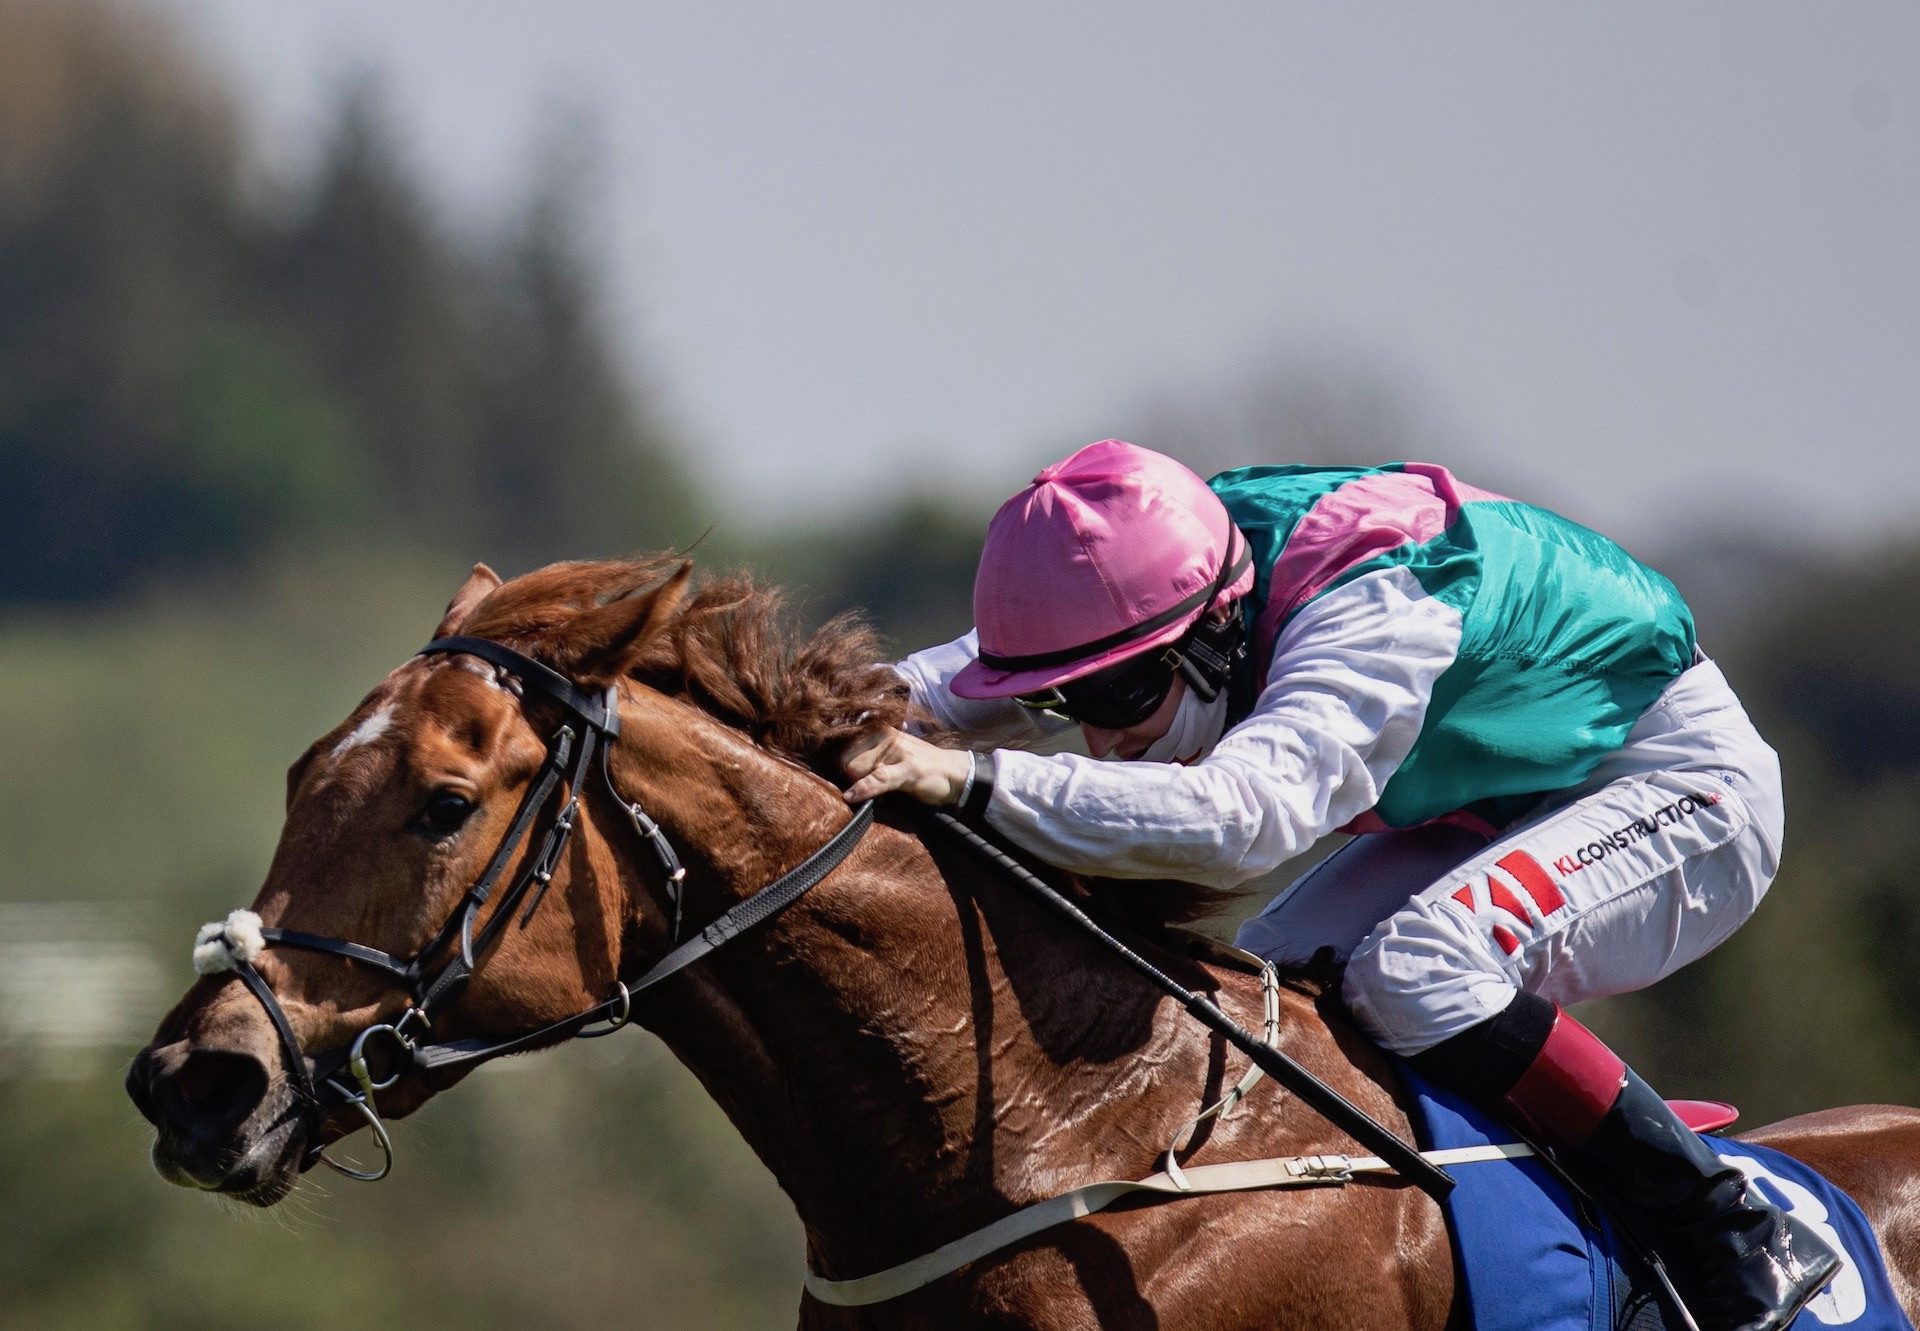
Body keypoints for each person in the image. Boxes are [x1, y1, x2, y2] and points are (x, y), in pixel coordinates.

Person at [842, 438, 1839, 1331]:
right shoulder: (1160, 564)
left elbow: (1243, 819)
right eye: (1067, 703)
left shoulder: (1367, 615)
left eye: (1122, 693)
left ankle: (1728, 1227)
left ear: (1215, 628)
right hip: (1493, 799)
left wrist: (970, 779)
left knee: (1418, 967)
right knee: (1262, 1000)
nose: (1102, 737)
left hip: (1676, 787)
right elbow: (938, 688)